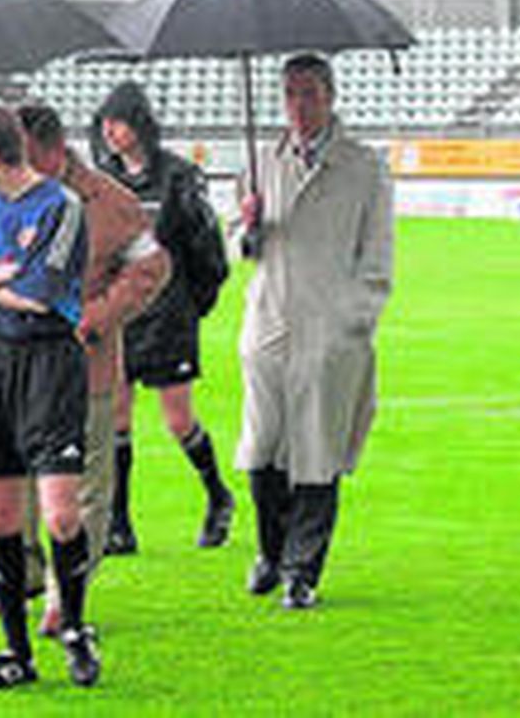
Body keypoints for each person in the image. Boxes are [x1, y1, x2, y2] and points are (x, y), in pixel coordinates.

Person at [0, 103, 170, 637]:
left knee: (86, 488)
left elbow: (152, 266)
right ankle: (25, 576)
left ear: (53, 149)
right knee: (15, 476)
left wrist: (100, 315)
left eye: (22, 154)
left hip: (85, 368)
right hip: (15, 366)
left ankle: (68, 594)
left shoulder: (112, 203)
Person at [0, 105, 99, 690]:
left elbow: (40, 296)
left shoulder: (61, 205)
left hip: (50, 363)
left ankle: (76, 629)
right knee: (0, 515)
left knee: (59, 513)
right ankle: (16, 652)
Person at [231, 53, 393, 610]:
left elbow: (378, 257)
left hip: (330, 326)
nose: (298, 106)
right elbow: (241, 248)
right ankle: (270, 552)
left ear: (330, 97)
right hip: (270, 320)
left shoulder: (364, 166)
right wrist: (248, 227)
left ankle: (303, 569)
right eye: (290, 95)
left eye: (308, 94)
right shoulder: (260, 162)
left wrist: (353, 320)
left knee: (318, 451)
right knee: (261, 450)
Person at [91, 81, 234, 555]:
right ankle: (120, 522)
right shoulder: (102, 180)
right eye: (105, 123)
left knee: (178, 420)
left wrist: (194, 304)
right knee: (118, 417)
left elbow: (205, 248)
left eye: (118, 121)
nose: (109, 131)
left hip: (169, 316)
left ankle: (218, 497)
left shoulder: (178, 177)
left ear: (139, 123)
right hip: (121, 314)